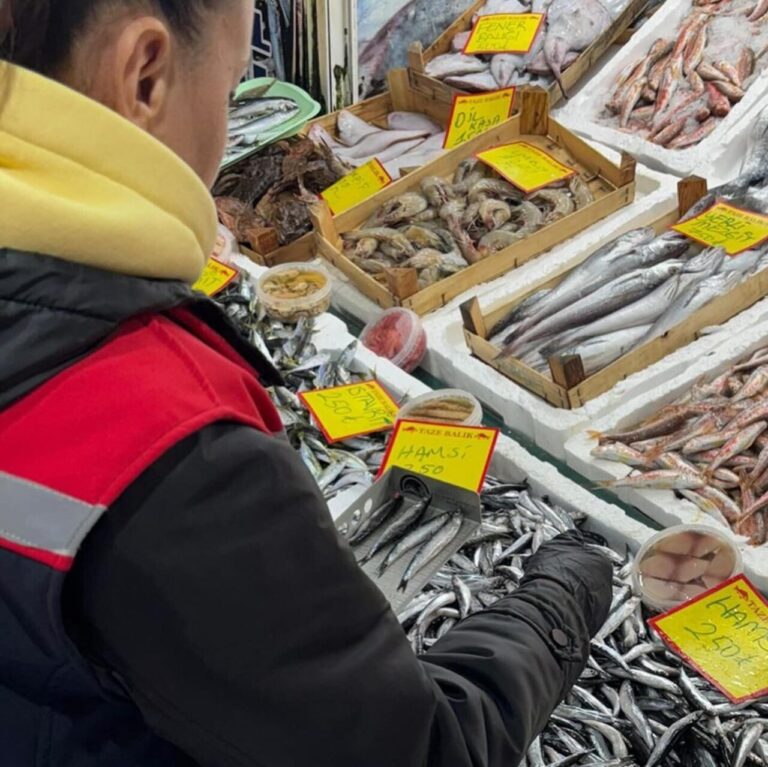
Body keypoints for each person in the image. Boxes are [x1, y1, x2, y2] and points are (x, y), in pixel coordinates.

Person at [0, 1, 613, 765]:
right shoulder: (168, 444)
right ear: (145, 74)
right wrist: (564, 596)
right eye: (232, 87)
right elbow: (415, 751)